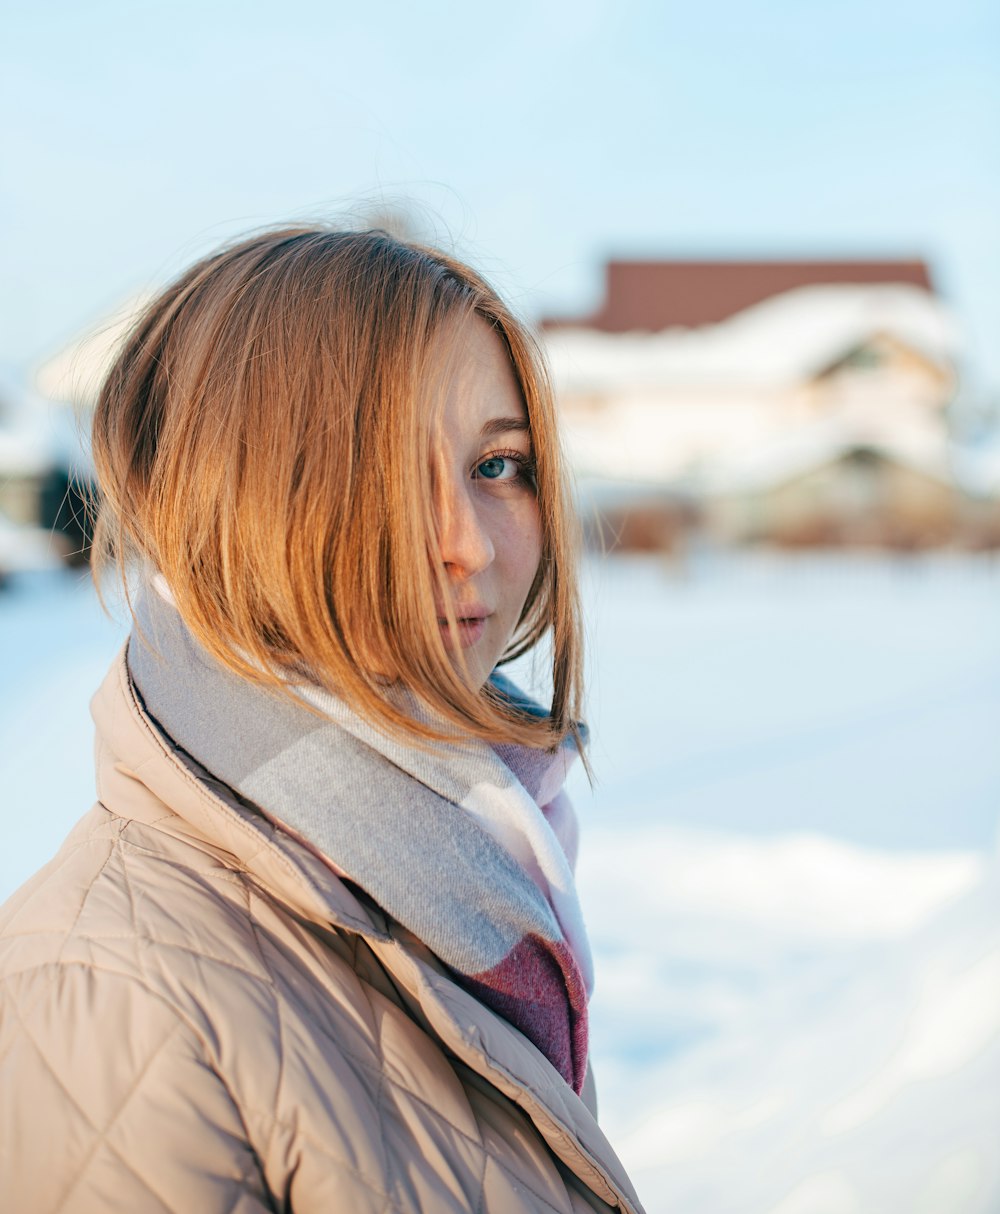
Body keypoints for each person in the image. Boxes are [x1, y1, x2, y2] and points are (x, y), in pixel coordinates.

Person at [0, 228, 643, 1213]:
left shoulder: (481, 853)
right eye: (388, 472)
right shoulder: (107, 991)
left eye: (498, 465)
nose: (467, 542)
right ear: (230, 498)